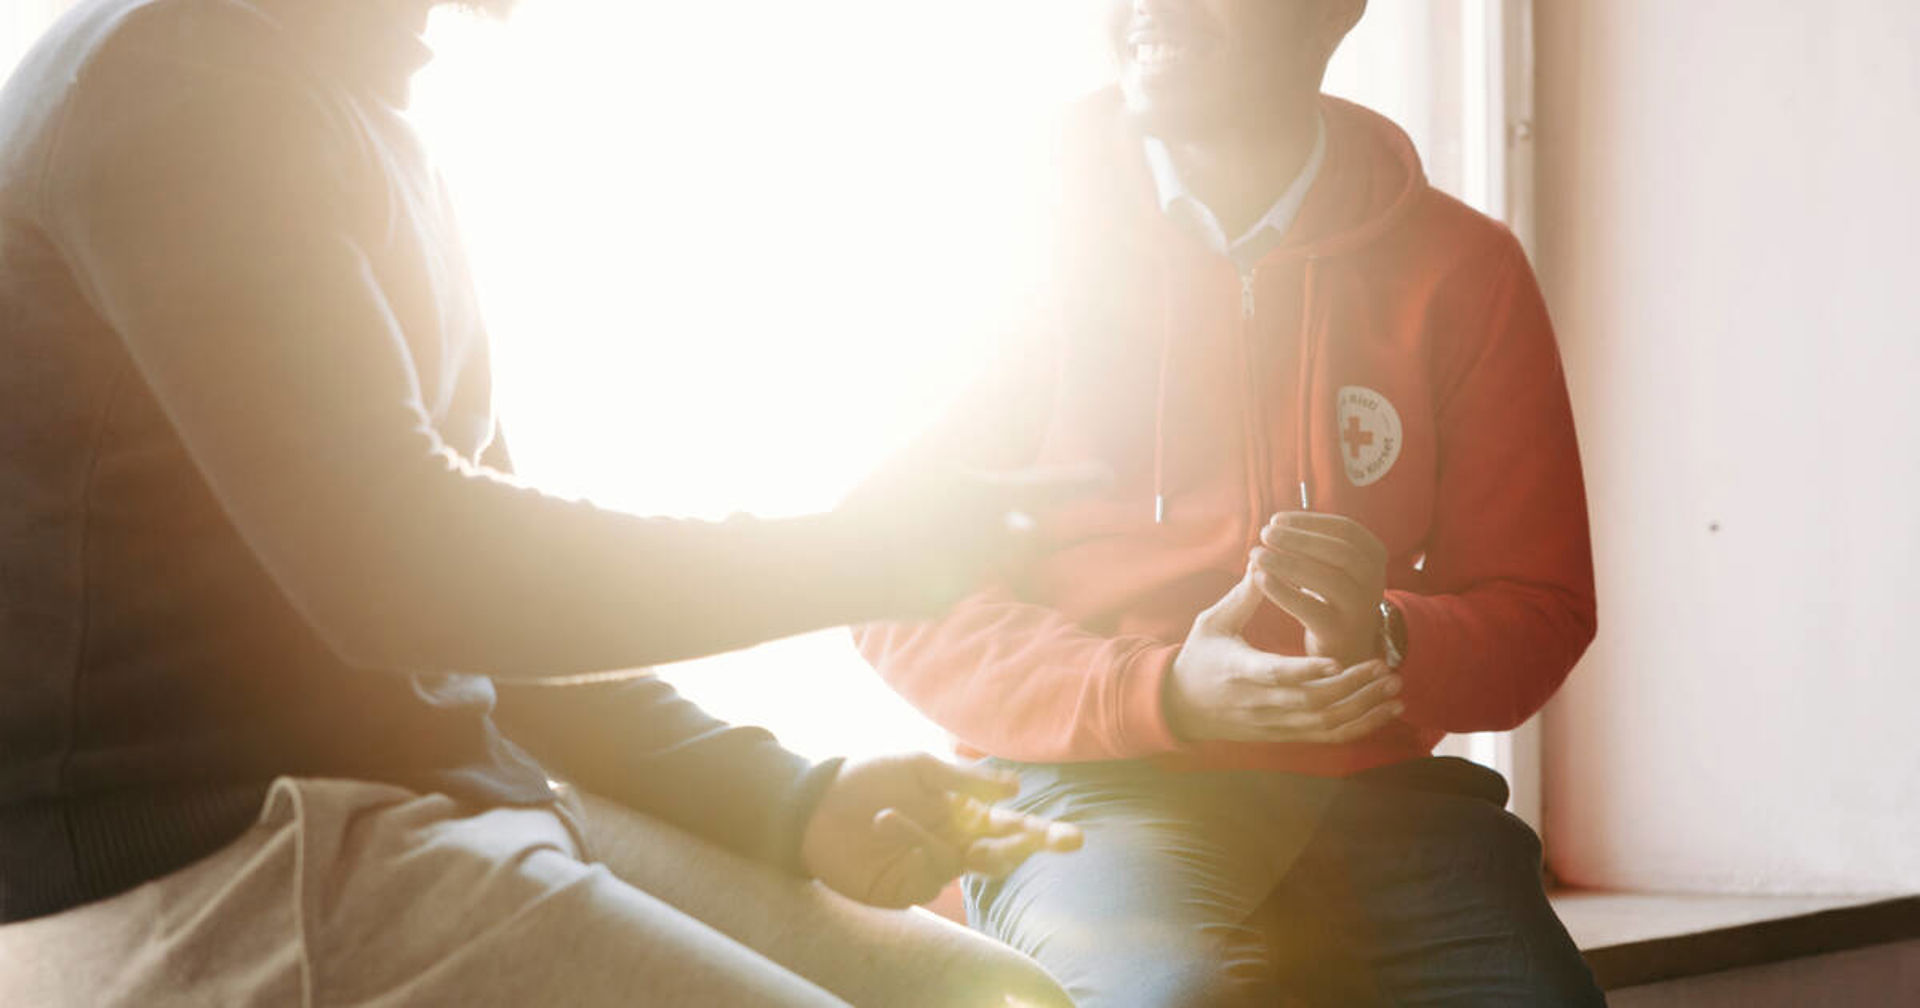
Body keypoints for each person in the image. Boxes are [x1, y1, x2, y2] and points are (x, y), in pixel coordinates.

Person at [0, 0, 1087, 1004]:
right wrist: (862, 553)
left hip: (392, 807)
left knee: (994, 997)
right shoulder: (183, 88)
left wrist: (786, 798)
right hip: (222, 875)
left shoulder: (339, 85)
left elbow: (473, 619)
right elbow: (404, 575)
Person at [854, 0, 1607, 1003]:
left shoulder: (1463, 268)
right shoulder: (1000, 246)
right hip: (1084, 789)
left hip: (1382, 803)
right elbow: (889, 591)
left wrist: (1385, 639)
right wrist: (1159, 691)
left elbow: (1538, 605)